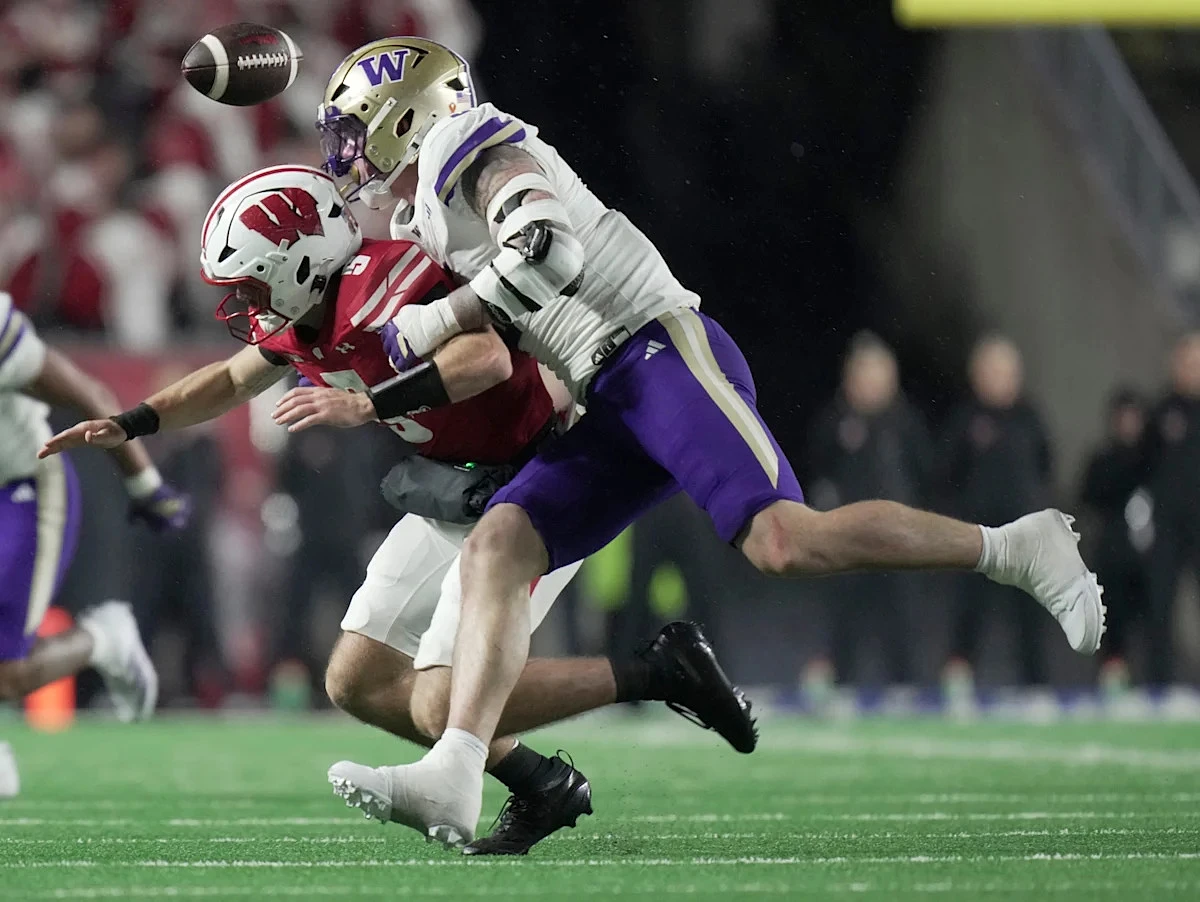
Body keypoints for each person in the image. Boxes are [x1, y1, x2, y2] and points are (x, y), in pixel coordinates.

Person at [301, 37, 1106, 848]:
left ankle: (1015, 547)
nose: (348, 153)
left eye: (357, 131)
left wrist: (442, 318)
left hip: (657, 350)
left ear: (406, 117)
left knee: (785, 542)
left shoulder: (465, 144)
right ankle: (457, 773)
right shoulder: (424, 213)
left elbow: (548, 246)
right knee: (498, 547)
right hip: (607, 392)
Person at [40, 165, 755, 853]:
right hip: (460, 484)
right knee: (357, 682)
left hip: (538, 482)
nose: (245, 305)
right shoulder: (304, 315)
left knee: (441, 700)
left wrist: (368, 404)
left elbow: (485, 358)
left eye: (252, 284)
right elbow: (230, 379)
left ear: (298, 262)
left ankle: (659, 672)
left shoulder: (386, 281)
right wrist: (132, 422)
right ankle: (541, 784)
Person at [0, 290, 188, 797]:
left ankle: (103, 638)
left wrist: (145, 485)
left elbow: (90, 395)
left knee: (6, 674)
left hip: (20, 487)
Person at [805, 333, 932, 689]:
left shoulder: (905, 423)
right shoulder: (835, 422)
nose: (872, 384)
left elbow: (927, 473)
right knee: (844, 623)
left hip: (897, 543)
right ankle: (839, 688)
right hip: (848, 542)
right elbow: (817, 469)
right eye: (865, 375)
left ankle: (908, 691)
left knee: (903, 624)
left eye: (880, 375)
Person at [941, 336, 1056, 690]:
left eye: (1006, 372)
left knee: (1029, 614)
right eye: (991, 371)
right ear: (976, 376)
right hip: (979, 534)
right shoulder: (966, 419)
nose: (999, 379)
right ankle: (958, 678)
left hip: (1022, 535)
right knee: (969, 608)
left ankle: (1036, 687)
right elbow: (948, 471)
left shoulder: (1030, 417)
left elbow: (1045, 464)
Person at [1080, 388, 1151, 695]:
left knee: (1153, 619)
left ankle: (1153, 679)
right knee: (1113, 618)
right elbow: (1088, 498)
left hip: (1150, 556)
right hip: (1113, 554)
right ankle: (1114, 674)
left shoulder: (1154, 459)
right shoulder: (1103, 459)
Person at [1143, 332, 1200, 688]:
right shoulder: (1162, 412)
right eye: (1187, 363)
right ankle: (1158, 686)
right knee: (1160, 605)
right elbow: (1143, 465)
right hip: (1167, 525)